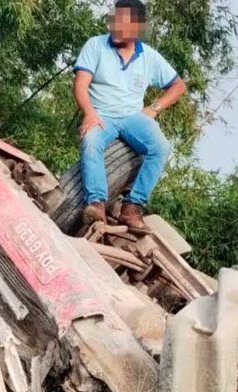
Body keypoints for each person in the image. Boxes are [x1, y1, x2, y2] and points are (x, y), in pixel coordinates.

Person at [73, 0, 187, 230]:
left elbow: (178, 86)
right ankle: (96, 203)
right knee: (91, 141)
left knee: (160, 147)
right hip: (101, 115)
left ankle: (132, 206)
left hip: (133, 117)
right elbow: (80, 85)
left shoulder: (150, 57)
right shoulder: (95, 45)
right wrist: (89, 114)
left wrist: (153, 108)